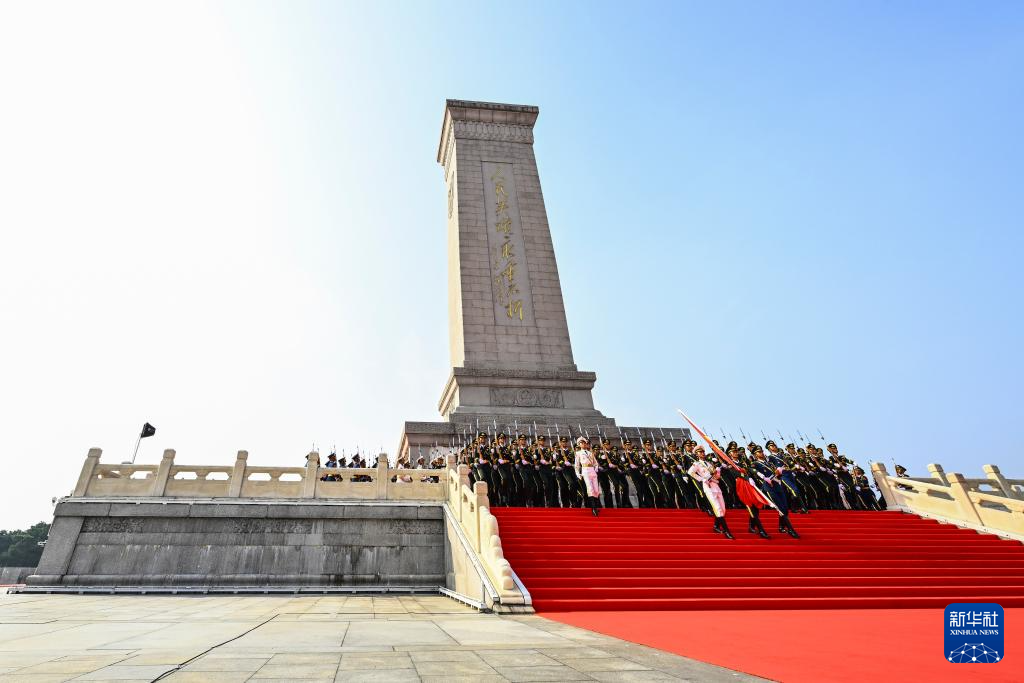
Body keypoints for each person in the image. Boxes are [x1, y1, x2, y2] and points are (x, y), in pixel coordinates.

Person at [688, 446, 734, 539]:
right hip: (708, 487)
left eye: (703, 452)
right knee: (717, 509)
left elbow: (717, 477)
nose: (702, 453)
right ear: (696, 454)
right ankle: (727, 531)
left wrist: (718, 471)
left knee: (723, 509)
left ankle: (716, 526)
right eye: (700, 452)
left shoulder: (709, 463)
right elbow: (690, 472)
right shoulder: (696, 464)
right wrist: (702, 479)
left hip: (716, 486)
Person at [574, 436, 601, 517]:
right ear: (579, 445)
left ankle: (596, 506)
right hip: (585, 470)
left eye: (584, 443)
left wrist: (596, 468)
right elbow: (577, 465)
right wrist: (578, 473)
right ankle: (593, 508)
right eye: (581, 443)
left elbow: (595, 463)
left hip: (592, 471)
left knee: (596, 489)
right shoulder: (578, 453)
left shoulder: (590, 453)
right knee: (590, 489)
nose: (583, 444)